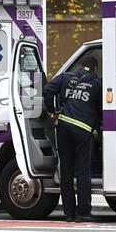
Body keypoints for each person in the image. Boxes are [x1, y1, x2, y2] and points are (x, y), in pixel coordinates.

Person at [43, 55, 102, 222]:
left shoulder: (65, 77)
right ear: (95, 69)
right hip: (83, 132)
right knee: (83, 172)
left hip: (63, 129)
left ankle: (69, 213)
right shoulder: (97, 84)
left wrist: (52, 110)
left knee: (66, 172)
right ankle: (83, 212)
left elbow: (47, 90)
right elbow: (100, 110)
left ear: (81, 65)